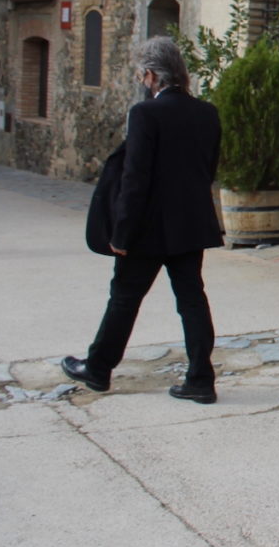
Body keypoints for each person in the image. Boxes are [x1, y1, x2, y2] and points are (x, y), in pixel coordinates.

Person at [61, 37, 223, 404]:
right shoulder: (207, 113)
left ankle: (99, 369)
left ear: (151, 75)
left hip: (146, 229)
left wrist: (122, 232)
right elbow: (208, 169)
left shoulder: (145, 114)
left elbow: (135, 178)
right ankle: (201, 378)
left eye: (141, 74)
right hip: (189, 225)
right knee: (193, 301)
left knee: (125, 298)